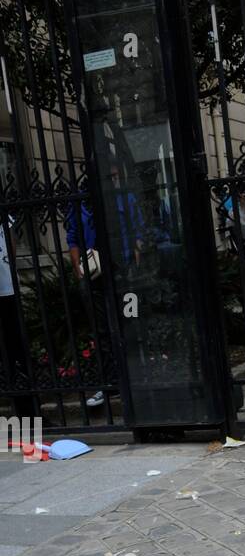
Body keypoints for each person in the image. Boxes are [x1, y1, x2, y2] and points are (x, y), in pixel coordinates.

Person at [66, 163, 144, 409]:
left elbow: (137, 233)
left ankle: (135, 378)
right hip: (94, 275)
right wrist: (79, 270)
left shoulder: (125, 199)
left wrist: (135, 264)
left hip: (122, 271)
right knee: (101, 330)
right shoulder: (80, 204)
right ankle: (110, 383)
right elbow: (72, 239)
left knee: (130, 322)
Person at [0, 218, 34, 421]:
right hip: (8, 286)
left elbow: (11, 239)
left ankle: (27, 413)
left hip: (8, 288)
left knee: (16, 350)